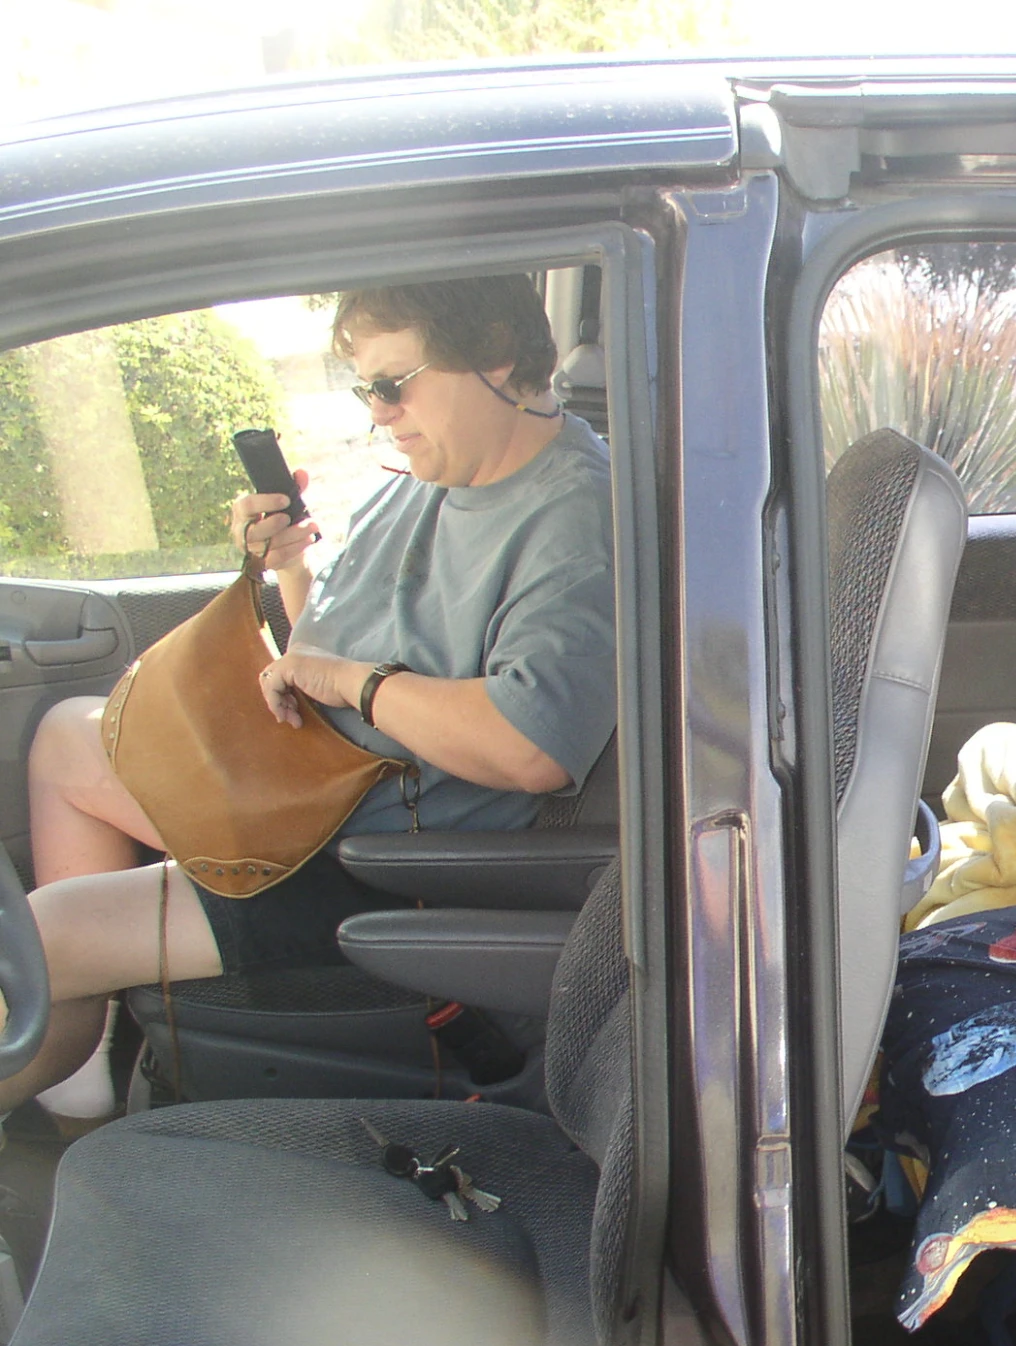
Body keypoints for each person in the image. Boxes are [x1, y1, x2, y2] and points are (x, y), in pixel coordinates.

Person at [11, 274, 617, 1128]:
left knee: (42, 938)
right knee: (69, 738)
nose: (379, 410)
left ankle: (78, 1020)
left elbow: (531, 746)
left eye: (394, 383)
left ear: (495, 355)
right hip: (307, 782)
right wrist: (290, 570)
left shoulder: (578, 517)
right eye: (365, 387)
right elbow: (324, 648)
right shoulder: (423, 477)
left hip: (368, 858)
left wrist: (354, 684)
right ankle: (86, 1069)